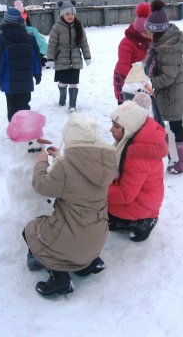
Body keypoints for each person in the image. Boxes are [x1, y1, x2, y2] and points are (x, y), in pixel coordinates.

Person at [23, 113, 117, 296]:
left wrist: (41, 162)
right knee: (76, 240)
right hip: (97, 240)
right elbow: (79, 175)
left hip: (74, 241)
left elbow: (40, 185)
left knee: (30, 229)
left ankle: (59, 278)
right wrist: (59, 157)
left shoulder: (65, 169)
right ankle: (86, 265)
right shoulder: (104, 163)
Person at [107, 95, 168, 242]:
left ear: (128, 129)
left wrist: (97, 190)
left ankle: (144, 222)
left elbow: (125, 194)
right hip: (139, 195)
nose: (111, 130)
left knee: (98, 209)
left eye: (116, 126)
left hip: (143, 203)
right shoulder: (132, 139)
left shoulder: (137, 155)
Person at [144, 0, 183, 174]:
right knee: (168, 126)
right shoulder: (162, 44)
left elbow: (168, 77)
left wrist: (150, 83)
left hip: (173, 94)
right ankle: (173, 157)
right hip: (169, 93)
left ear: (158, 31)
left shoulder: (168, 50)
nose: (147, 35)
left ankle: (182, 162)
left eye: (149, 32)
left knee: (175, 126)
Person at [0, 8, 42, 122]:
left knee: (12, 109)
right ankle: (26, 128)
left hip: (10, 84)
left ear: (5, 23)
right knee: (24, 106)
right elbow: (36, 59)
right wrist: (37, 74)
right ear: (21, 22)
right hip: (25, 82)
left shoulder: (1, 40)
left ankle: (15, 131)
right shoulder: (30, 39)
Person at [45, 0, 91, 112]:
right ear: (62, 14)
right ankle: (62, 96)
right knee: (63, 82)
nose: (70, 16)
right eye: (67, 14)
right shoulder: (57, 27)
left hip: (75, 59)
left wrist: (87, 56)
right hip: (61, 59)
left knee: (74, 82)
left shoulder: (78, 26)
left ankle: (72, 104)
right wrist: (50, 58)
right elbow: (52, 44)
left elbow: (84, 43)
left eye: (72, 14)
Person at [113, 2, 152, 105]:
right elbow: (123, 66)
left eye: (151, 33)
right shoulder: (126, 43)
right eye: (146, 33)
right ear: (138, 31)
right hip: (124, 78)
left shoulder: (149, 42)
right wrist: (140, 76)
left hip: (141, 79)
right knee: (126, 106)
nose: (149, 36)